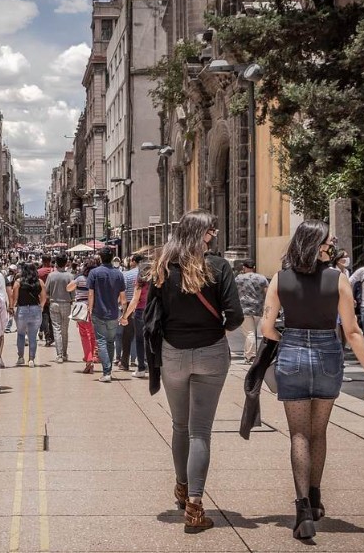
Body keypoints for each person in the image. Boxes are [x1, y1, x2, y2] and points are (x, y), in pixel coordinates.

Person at [261, 220, 364, 541]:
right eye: (328, 241)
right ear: (315, 244)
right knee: (318, 431)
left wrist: (286, 341)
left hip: (292, 351)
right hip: (328, 352)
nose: (332, 245)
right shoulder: (338, 279)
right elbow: (352, 331)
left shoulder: (280, 279)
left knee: (298, 434)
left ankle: (301, 511)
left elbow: (266, 328)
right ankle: (314, 498)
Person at [149, 210, 243, 533]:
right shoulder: (218, 267)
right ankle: (195, 506)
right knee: (199, 431)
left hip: (173, 353)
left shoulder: (162, 267)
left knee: (179, 425)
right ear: (202, 234)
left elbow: (153, 314)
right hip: (211, 353)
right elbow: (236, 316)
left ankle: (180, 486)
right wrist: (217, 327)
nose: (214, 236)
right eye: (212, 231)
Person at [88, 247, 127, 382]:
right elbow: (123, 298)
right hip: (114, 313)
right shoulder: (119, 274)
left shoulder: (94, 273)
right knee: (111, 342)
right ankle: (108, 370)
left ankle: (106, 372)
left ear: (100, 258)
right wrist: (124, 314)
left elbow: (91, 294)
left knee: (102, 341)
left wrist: (89, 309)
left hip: (98, 312)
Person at [10, 263, 47, 367]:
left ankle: (21, 357)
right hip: (35, 310)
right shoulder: (40, 282)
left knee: (21, 334)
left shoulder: (18, 282)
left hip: (22, 310)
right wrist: (41, 307)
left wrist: (12, 308)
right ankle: (31, 359)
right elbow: (44, 297)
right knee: (32, 336)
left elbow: (14, 297)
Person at [235, 259, 269, 364]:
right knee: (254, 333)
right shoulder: (262, 278)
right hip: (258, 309)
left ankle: (250, 356)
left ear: (244, 267)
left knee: (249, 333)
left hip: (244, 309)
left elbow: (233, 292)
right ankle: (252, 354)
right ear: (254, 267)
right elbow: (267, 293)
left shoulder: (238, 279)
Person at [120, 262, 150, 379]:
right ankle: (154, 368)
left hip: (140, 313)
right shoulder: (157, 281)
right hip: (153, 312)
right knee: (152, 340)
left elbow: (134, 300)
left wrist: (125, 316)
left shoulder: (140, 282)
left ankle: (141, 368)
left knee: (139, 340)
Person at [68, 260, 98, 373]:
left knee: (84, 335)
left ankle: (88, 358)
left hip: (81, 308)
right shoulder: (96, 279)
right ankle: (91, 357)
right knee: (93, 335)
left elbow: (68, 288)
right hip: (94, 308)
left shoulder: (80, 279)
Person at [46, 254, 74, 363]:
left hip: (54, 303)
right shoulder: (70, 276)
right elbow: (73, 292)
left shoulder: (51, 276)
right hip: (66, 303)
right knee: (64, 329)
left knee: (56, 328)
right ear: (66, 262)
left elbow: (46, 290)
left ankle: (59, 355)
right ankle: (65, 353)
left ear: (56, 263)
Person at [119, 254, 142, 370]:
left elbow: (123, 292)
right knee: (142, 336)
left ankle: (124, 362)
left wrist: (124, 312)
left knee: (127, 336)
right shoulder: (148, 274)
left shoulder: (126, 274)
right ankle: (144, 362)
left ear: (133, 261)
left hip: (129, 306)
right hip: (144, 307)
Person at [37, 254, 55, 346]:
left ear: (42, 261)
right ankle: (52, 337)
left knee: (44, 318)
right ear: (50, 260)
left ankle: (47, 337)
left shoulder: (38, 272)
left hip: (42, 298)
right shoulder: (54, 271)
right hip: (54, 298)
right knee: (52, 319)